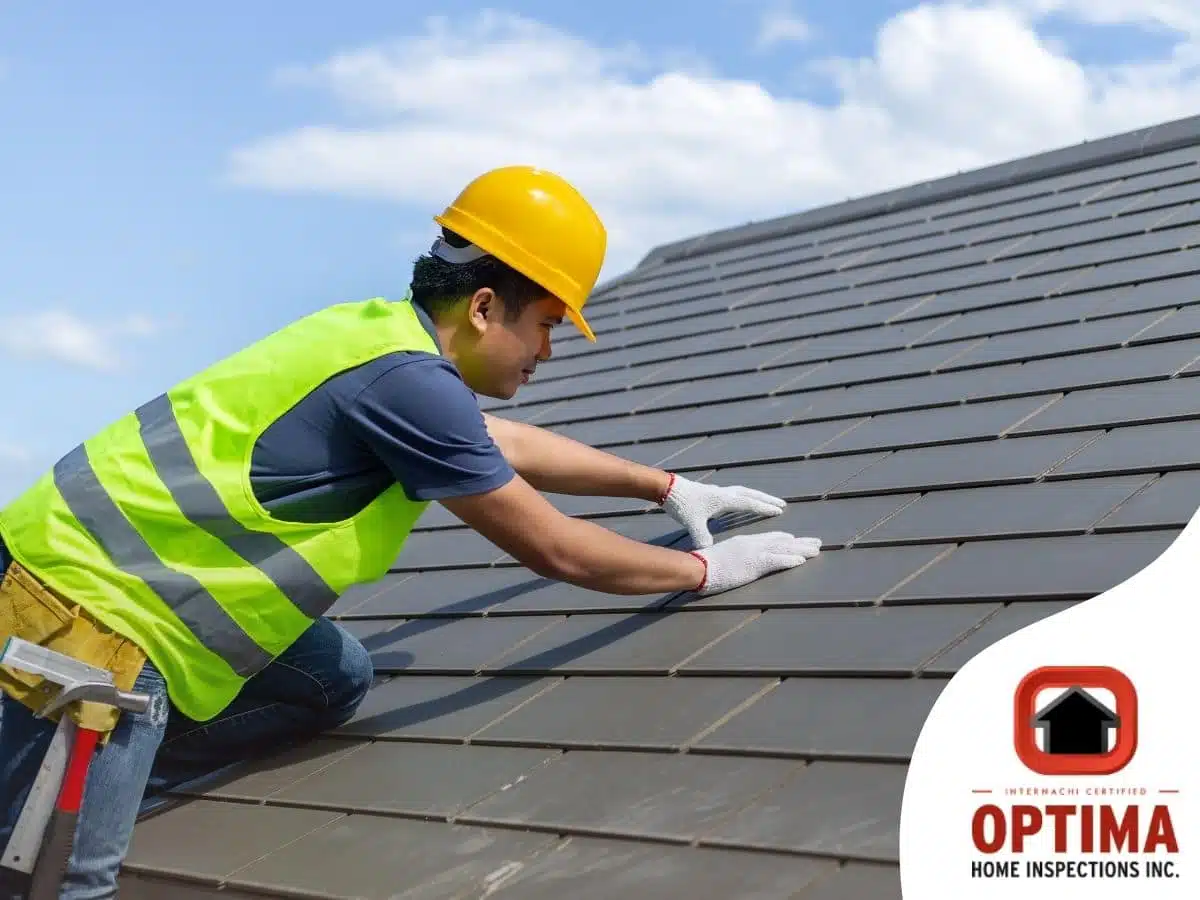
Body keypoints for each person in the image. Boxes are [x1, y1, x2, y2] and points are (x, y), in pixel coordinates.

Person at [0, 165, 821, 899]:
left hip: (109, 588)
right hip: (86, 624)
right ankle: (36, 788)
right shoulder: (407, 383)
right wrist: (707, 574)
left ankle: (43, 773)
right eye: (545, 324)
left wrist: (667, 487)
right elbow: (556, 548)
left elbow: (508, 446)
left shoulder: (384, 341)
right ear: (486, 303)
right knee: (69, 878)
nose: (547, 351)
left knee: (334, 677)